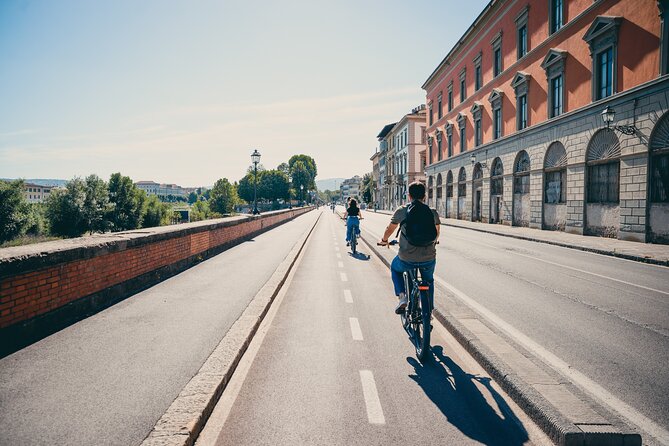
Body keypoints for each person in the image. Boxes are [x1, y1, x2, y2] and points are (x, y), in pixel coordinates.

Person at [378, 182, 440, 314]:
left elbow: (390, 229)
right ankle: (428, 309)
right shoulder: (432, 212)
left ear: (409, 196)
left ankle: (402, 298)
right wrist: (433, 243)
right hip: (428, 258)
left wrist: (384, 240)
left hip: (407, 258)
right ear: (424, 196)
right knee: (428, 280)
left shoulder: (402, 211)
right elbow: (437, 232)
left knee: (395, 268)